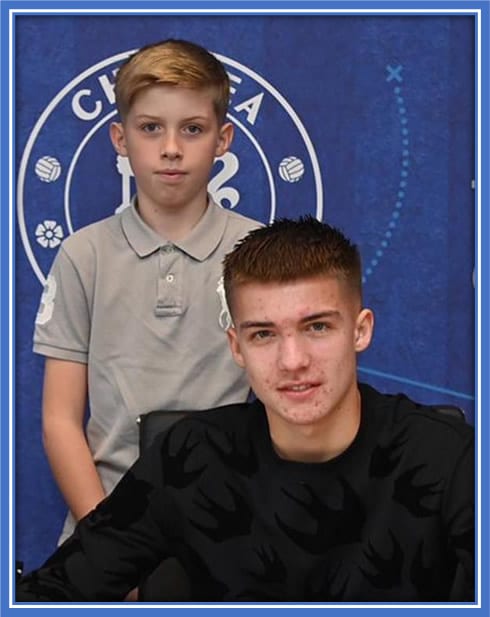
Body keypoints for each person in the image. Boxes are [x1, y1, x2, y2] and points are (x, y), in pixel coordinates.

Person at [19, 217, 474, 602]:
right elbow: (54, 594)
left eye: (316, 327)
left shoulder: (447, 458)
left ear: (360, 331)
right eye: (263, 334)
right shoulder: (190, 458)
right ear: (237, 347)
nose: (293, 360)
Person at [32, 38, 261, 547]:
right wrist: (111, 544)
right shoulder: (83, 255)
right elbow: (60, 419)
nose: (171, 148)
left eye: (193, 129)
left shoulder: (260, 252)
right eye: (150, 128)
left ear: (223, 140)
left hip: (235, 535)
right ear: (120, 137)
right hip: (103, 531)